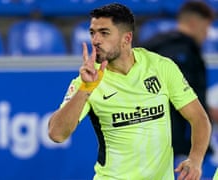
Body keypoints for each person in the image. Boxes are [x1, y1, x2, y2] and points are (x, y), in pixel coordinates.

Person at [48, 2, 211, 180]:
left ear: (126, 39)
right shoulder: (87, 79)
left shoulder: (161, 67)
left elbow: (199, 118)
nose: (95, 40)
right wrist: (85, 89)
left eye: (104, 33)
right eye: (92, 33)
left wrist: (195, 159)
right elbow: (56, 134)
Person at [140, 1, 214, 160]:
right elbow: (186, 99)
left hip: (146, 139)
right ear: (194, 23)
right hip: (172, 142)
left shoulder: (152, 47)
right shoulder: (183, 53)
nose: (207, 35)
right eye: (206, 27)